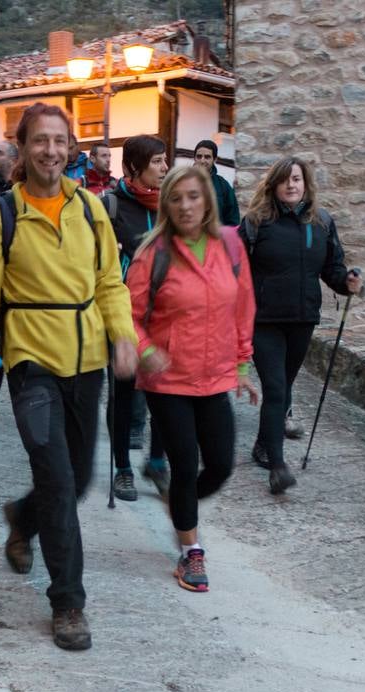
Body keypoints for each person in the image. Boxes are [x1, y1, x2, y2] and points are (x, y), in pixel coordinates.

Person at [0, 103, 137, 652]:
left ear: (72, 147)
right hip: (31, 364)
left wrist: (123, 336)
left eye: (60, 141)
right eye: (40, 141)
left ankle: (21, 516)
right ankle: (68, 603)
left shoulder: (91, 210)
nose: (51, 151)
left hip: (86, 364)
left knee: (78, 478)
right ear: (22, 147)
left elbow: (110, 280)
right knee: (59, 480)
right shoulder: (0, 216)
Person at [128, 165, 258, 592]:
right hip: (168, 380)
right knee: (184, 466)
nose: (185, 206)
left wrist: (241, 365)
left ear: (207, 200)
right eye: (176, 198)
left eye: (193, 196)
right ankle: (190, 551)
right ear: (166, 204)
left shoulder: (231, 247)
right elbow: (127, 314)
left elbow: (242, 308)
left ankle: (180, 508)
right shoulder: (153, 253)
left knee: (220, 465)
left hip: (215, 376)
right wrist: (146, 352)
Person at [241, 156, 362, 495]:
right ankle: (277, 467)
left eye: (297, 179)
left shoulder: (321, 222)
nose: (291, 185)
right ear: (274, 185)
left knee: (284, 386)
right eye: (285, 180)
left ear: (305, 183)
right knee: (276, 388)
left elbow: (332, 268)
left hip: (302, 319)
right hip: (263, 320)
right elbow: (234, 268)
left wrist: (346, 281)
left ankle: (263, 446)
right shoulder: (255, 222)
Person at [103, 134, 171, 501]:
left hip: (164, 316)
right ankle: (122, 469)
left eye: (165, 161)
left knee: (166, 390)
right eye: (157, 161)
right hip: (123, 315)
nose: (164, 168)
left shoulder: (171, 207)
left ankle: (157, 462)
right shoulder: (111, 207)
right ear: (133, 167)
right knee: (123, 394)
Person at [193, 139, 239, 226]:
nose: (202, 161)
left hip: (216, 237)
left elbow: (233, 220)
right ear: (194, 158)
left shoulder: (223, 186)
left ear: (215, 159)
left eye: (207, 157)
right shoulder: (184, 183)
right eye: (199, 156)